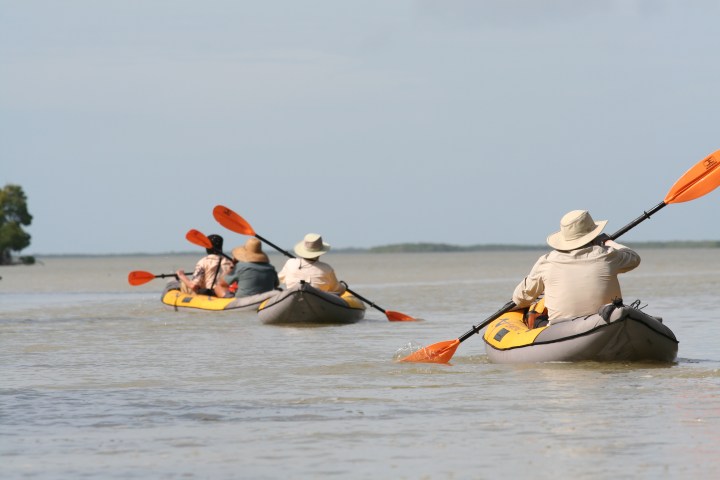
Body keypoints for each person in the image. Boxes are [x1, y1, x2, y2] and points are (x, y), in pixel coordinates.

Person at [512, 210, 641, 324]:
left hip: (561, 329)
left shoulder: (546, 262)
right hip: (606, 322)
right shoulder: (607, 254)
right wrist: (608, 242)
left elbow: (520, 298)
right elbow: (634, 258)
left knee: (536, 318)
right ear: (593, 235)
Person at [278, 233, 346, 295]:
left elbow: (280, 279)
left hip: (292, 298)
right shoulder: (327, 268)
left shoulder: (290, 263)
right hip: (320, 301)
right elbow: (337, 290)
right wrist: (344, 286)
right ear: (320, 252)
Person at [214, 238, 279, 298]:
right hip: (265, 299)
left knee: (218, 287)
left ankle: (226, 303)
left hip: (243, 300)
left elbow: (222, 283)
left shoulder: (240, 266)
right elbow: (276, 284)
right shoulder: (271, 268)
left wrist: (232, 265)